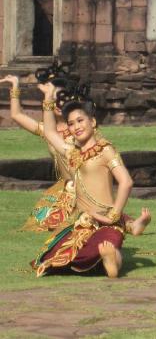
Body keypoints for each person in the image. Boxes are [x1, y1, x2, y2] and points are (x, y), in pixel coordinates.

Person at [32, 83, 141, 278]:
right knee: (54, 257)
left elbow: (126, 182)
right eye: (71, 123)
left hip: (107, 222)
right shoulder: (71, 152)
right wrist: (48, 98)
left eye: (80, 120)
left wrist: (114, 216)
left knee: (106, 244)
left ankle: (113, 259)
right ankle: (103, 257)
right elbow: (49, 132)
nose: (76, 127)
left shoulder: (105, 150)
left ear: (93, 122)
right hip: (83, 223)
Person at [3, 61, 78, 231]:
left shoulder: (80, 128)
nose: (58, 103)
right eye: (54, 98)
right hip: (64, 187)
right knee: (41, 222)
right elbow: (16, 115)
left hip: (86, 186)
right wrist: (15, 85)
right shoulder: (48, 130)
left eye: (62, 98)